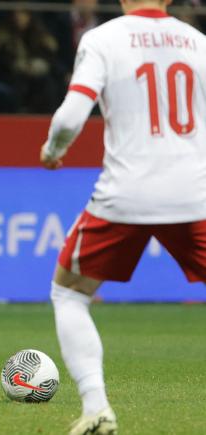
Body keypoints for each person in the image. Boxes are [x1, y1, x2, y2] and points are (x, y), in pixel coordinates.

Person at [40, 1, 206, 433]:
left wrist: (53, 150)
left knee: (69, 294)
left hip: (126, 193)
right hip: (194, 195)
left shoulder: (103, 39)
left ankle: (97, 409)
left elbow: (72, 115)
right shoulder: (198, 43)